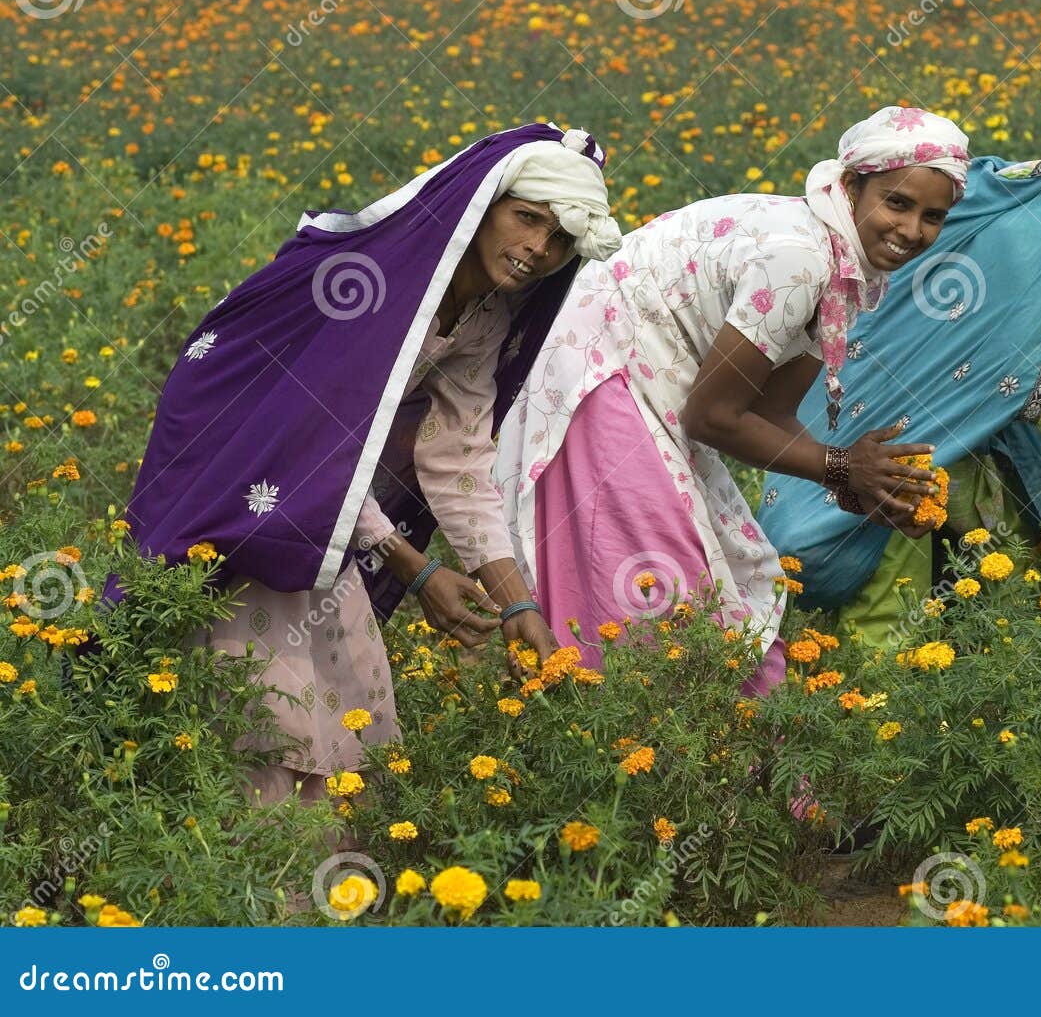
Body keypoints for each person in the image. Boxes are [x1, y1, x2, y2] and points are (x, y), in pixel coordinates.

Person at [117, 123, 622, 804]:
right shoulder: (379, 282)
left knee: (354, 690)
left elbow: (457, 455)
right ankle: (252, 882)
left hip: (316, 501)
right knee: (270, 700)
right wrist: (410, 565)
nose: (539, 248)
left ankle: (328, 883)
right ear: (482, 204)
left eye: (561, 239)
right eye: (527, 218)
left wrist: (515, 602)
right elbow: (309, 433)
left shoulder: (485, 312)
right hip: (247, 470)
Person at [494, 106, 970, 688]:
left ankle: (702, 753)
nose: (912, 230)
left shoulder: (847, 264)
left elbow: (768, 413)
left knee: (704, 581)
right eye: (897, 203)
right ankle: (629, 741)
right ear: (850, 184)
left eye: (933, 216)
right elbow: (713, 417)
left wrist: (853, 483)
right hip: (598, 366)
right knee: (661, 578)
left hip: (652, 379)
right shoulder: (799, 257)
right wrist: (842, 465)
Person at [758, 112, 1041, 644]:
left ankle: (959, 652)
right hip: (891, 396)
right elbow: (1034, 382)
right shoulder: (1030, 229)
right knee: (898, 496)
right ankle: (869, 673)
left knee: (1017, 561)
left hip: (980, 414)